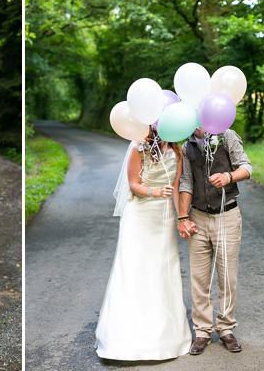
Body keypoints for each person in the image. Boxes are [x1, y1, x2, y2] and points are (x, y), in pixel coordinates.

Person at [96, 127, 194, 361]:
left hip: (163, 217)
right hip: (139, 215)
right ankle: (126, 338)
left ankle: (166, 336)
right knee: (134, 269)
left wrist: (182, 216)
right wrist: (155, 191)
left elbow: (179, 183)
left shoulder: (177, 149)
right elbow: (133, 184)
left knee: (162, 269)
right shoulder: (138, 146)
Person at [177, 127, 251, 355]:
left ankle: (226, 329)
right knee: (199, 278)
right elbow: (186, 183)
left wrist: (228, 176)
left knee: (227, 276)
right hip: (198, 216)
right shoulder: (186, 146)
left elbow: (246, 168)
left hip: (227, 215)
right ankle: (202, 332)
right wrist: (183, 216)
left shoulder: (227, 135)